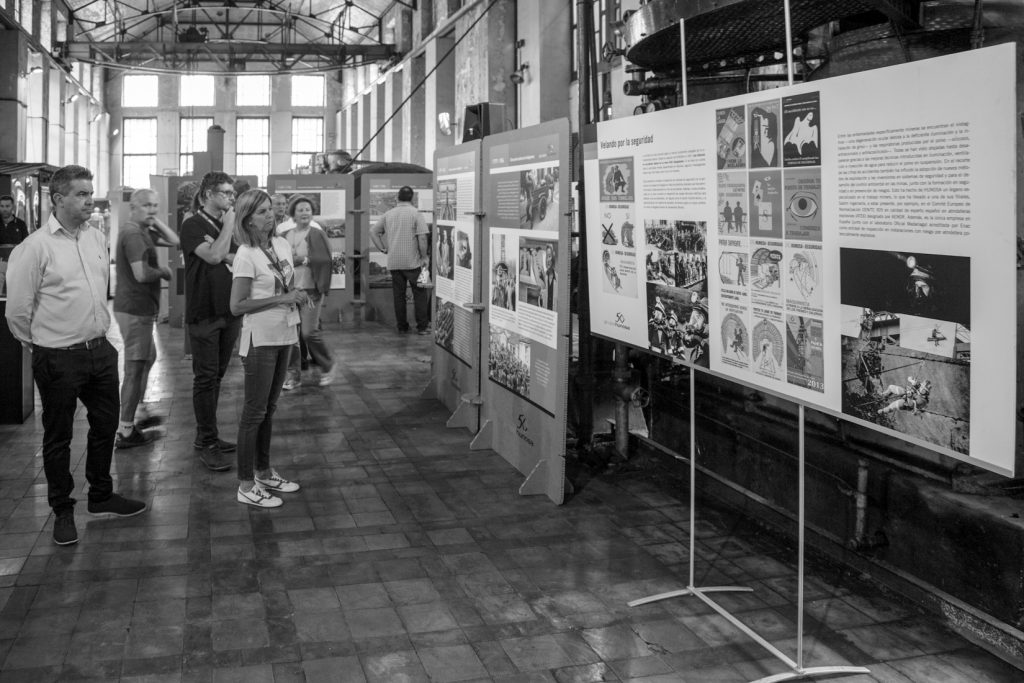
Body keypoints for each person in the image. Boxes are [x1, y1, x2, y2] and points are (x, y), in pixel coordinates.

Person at [5, 165, 147, 546]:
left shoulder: (95, 237)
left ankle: (100, 495)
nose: (90, 201)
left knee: (105, 426)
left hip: (99, 350)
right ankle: (62, 509)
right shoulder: (34, 247)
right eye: (82, 194)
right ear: (59, 199)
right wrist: (42, 344)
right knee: (59, 436)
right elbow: (17, 311)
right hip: (58, 357)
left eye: (90, 193)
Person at [229, 189, 307, 507]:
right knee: (254, 412)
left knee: (269, 410)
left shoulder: (281, 244)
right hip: (259, 340)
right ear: (247, 219)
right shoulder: (246, 254)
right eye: (262, 212)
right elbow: (237, 305)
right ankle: (246, 483)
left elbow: (284, 283)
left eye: (270, 209)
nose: (269, 215)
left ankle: (264, 472)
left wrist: (296, 293)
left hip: (285, 334)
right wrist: (282, 298)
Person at [181, 171, 240, 471]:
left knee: (216, 376)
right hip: (204, 313)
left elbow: (235, 257)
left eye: (232, 193)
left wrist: (226, 238)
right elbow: (217, 257)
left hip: (228, 311)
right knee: (205, 378)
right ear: (207, 195)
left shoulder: (223, 226)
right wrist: (229, 226)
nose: (231, 198)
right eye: (226, 193)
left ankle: (207, 435)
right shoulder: (192, 225)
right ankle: (207, 442)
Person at [113, 188, 180, 448]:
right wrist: (163, 271)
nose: (152, 210)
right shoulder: (133, 234)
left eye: (155, 205)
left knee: (148, 358)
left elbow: (174, 240)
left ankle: (137, 410)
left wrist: (154, 219)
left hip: (140, 308)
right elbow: (141, 274)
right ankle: (126, 429)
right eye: (146, 206)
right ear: (133, 207)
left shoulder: (144, 231)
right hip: (134, 310)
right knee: (134, 368)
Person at [282, 194, 335, 389]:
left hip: (311, 290)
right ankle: (293, 376)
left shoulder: (317, 233)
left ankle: (328, 365)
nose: (305, 213)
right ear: (293, 214)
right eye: (301, 210)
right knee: (290, 335)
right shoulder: (285, 235)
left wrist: (304, 260)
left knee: (308, 332)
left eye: (308, 210)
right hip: (290, 291)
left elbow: (327, 260)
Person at [369, 185, 430, 334]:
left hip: (394, 263)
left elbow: (373, 231)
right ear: (412, 198)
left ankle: (402, 327)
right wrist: (424, 257)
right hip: (414, 262)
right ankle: (422, 327)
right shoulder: (416, 214)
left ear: (397, 197)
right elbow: (422, 237)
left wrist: (382, 248)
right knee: (420, 294)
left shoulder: (388, 214)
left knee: (399, 296)